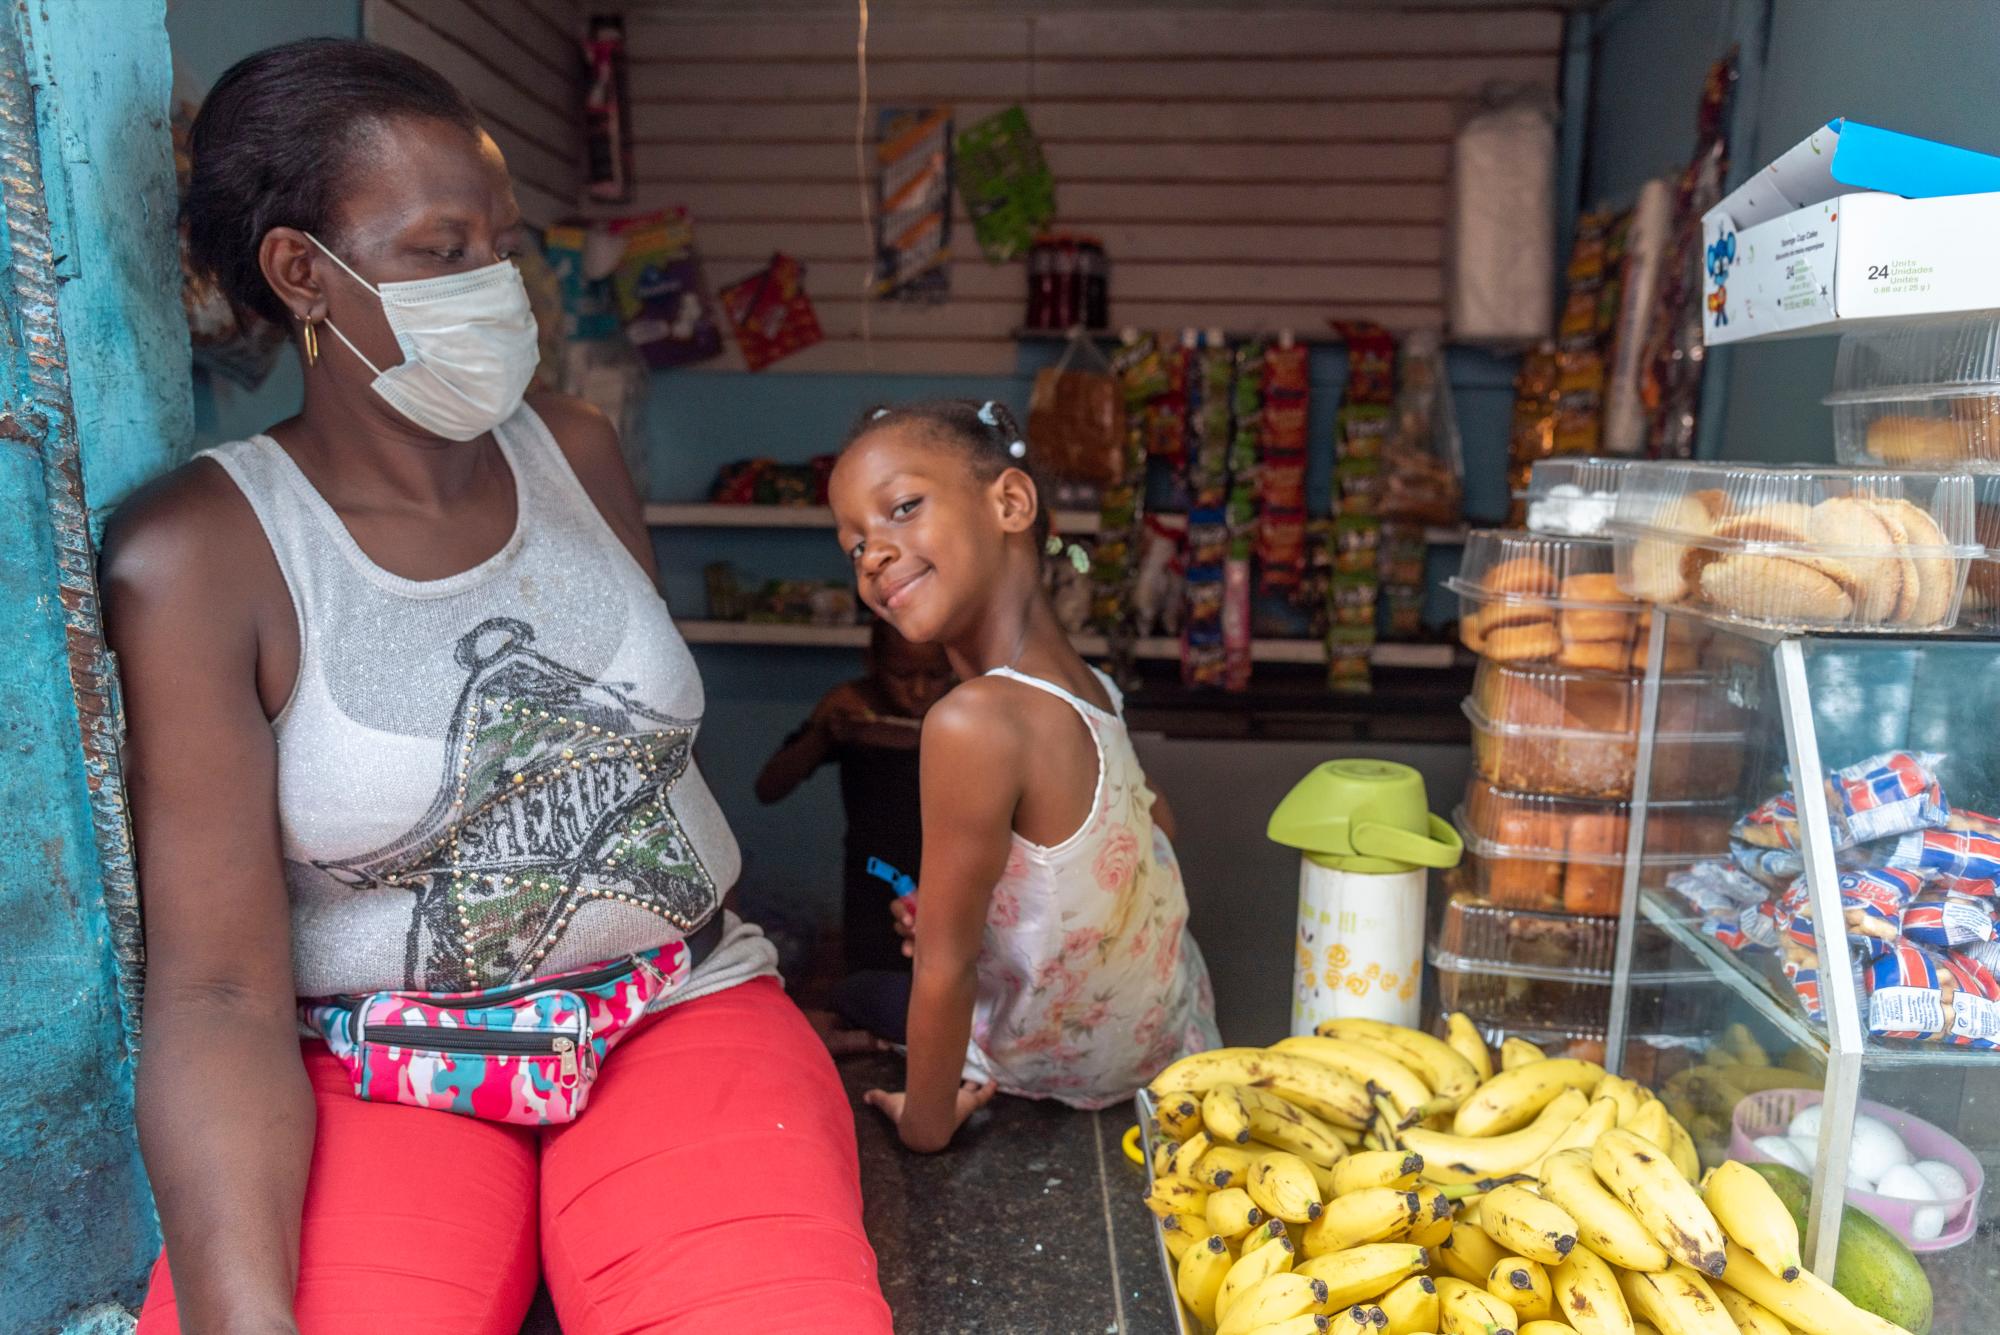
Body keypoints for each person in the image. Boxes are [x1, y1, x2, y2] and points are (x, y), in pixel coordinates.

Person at [101, 39, 890, 1334]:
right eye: (439, 250)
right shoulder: (205, 553)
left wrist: (773, 1039)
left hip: (677, 1007)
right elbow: (218, 993)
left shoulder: (575, 448)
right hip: (373, 1066)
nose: (495, 288)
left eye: (503, 245)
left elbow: (649, 770)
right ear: (305, 270)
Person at [827, 399, 1220, 1153]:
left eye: (903, 508)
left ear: (1010, 502)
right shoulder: (1094, 686)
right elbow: (1153, 837)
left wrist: (924, 1124)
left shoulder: (972, 721)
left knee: (852, 990)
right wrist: (1010, 914)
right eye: (854, 546)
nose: (874, 554)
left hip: (1055, 1081)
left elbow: (947, 965)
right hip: (1174, 1043)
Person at [755, 621, 952, 1051]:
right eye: (903, 675)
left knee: (943, 992)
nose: (919, 691)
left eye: (934, 675)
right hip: (872, 882)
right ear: (872, 664)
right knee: (873, 992)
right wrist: (823, 729)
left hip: (947, 881)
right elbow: (769, 787)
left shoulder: (961, 711)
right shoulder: (852, 710)